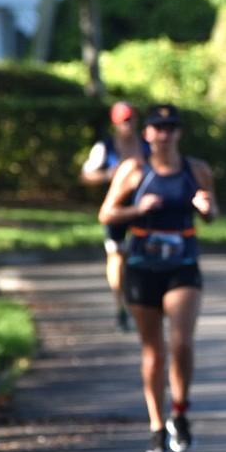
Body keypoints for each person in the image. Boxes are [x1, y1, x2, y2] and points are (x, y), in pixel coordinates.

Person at [98, 103, 218, 452]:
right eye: (156, 128)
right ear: (146, 133)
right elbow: (106, 212)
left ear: (178, 133)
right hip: (141, 266)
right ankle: (155, 424)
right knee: (153, 354)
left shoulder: (197, 170)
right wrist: (138, 209)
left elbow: (212, 214)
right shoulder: (134, 170)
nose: (163, 134)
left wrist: (206, 208)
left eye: (170, 127)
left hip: (182, 266)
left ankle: (179, 413)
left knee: (181, 343)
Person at [81, 101, 148, 331]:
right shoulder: (105, 147)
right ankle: (120, 305)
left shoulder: (147, 145)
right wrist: (108, 175)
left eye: (130, 119)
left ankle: (142, 303)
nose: (127, 125)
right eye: (123, 121)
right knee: (116, 256)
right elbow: (86, 174)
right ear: (115, 123)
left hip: (143, 208)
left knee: (139, 257)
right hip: (116, 208)